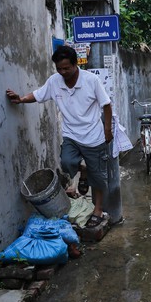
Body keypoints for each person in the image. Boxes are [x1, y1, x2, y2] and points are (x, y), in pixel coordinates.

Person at [6, 46, 113, 228]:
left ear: (75, 64)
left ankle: (97, 210)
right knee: (66, 163)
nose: (63, 72)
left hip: (94, 137)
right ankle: (83, 170)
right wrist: (21, 99)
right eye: (59, 69)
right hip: (71, 135)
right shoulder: (55, 81)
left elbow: (106, 105)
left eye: (66, 68)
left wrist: (107, 129)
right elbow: (39, 94)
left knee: (99, 177)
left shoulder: (91, 80)